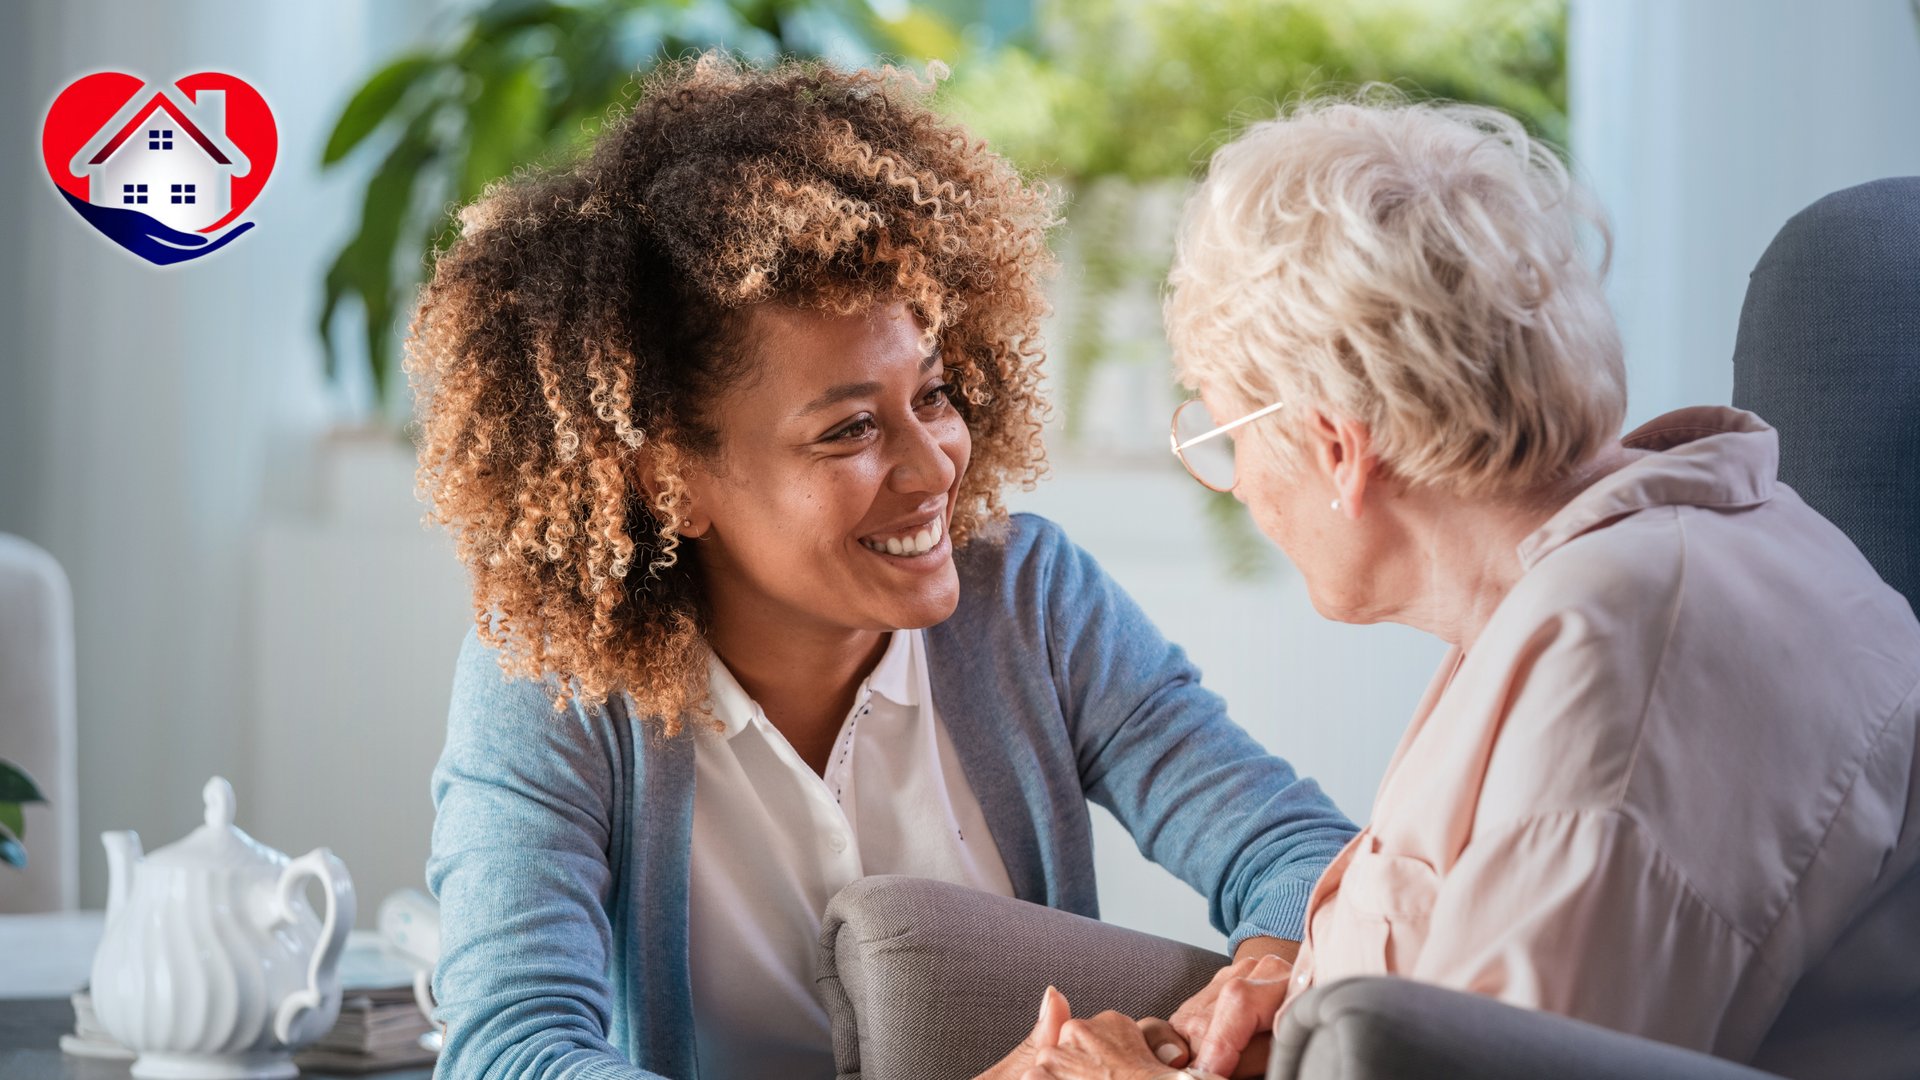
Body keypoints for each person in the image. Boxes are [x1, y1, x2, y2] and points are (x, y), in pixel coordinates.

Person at [407, 54, 1357, 1080]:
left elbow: (1300, 853)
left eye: (935, 396)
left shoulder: (1029, 603)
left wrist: (1253, 987)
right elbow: (511, 1049)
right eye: (851, 428)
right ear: (668, 480)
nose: (932, 463)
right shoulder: (555, 683)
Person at [1019, 92, 1920, 1080]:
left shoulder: (1616, 664)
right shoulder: (1601, 581)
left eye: (1227, 439)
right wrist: (1312, 1000)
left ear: (1335, 449)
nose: (1240, 490)